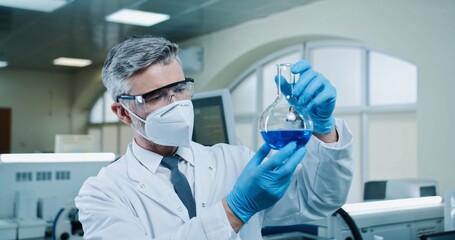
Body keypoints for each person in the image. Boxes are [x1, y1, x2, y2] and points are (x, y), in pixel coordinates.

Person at [75, 35, 354, 240]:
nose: (176, 103)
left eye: (180, 88)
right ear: (123, 112)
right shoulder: (102, 193)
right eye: (156, 96)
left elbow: (318, 199)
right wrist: (235, 209)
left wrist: (324, 128)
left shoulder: (232, 160)